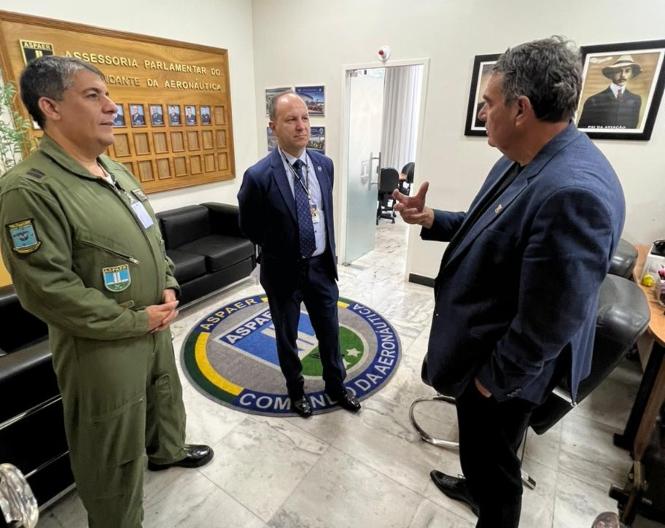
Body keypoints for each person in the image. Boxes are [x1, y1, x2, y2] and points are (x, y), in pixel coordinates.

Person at [393, 37, 625, 528]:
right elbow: (488, 228)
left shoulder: (572, 193)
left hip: (504, 373)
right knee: (481, 457)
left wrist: (487, 383)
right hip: (487, 353)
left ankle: (489, 505)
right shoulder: (522, 158)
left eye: (488, 102)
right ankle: (473, 486)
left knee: (497, 470)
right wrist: (431, 218)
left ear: (521, 109)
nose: (482, 113)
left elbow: (548, 324)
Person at [0, 56, 213, 528]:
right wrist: (134, 320)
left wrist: (168, 282)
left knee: (164, 395)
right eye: (94, 96)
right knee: (111, 445)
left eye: (108, 94)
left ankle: (167, 450)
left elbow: (151, 240)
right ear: (50, 107)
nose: (112, 106)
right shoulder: (28, 190)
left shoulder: (114, 171)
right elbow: (47, 290)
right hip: (102, 345)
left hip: (153, 324)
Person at [237, 92, 360, 418]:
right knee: (287, 335)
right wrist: (281, 245)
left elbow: (323, 211)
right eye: (291, 119)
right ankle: (296, 389)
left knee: (330, 332)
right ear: (273, 127)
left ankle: (336, 385)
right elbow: (249, 226)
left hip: (320, 267)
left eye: (305, 118)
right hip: (282, 272)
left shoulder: (324, 165)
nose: (301, 126)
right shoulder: (258, 176)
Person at [578, 55, 643, 129]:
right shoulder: (593, 100)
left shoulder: (635, 100)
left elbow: (632, 127)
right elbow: (583, 129)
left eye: (627, 71)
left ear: (631, 75)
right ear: (610, 74)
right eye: (618, 71)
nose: (623, 75)